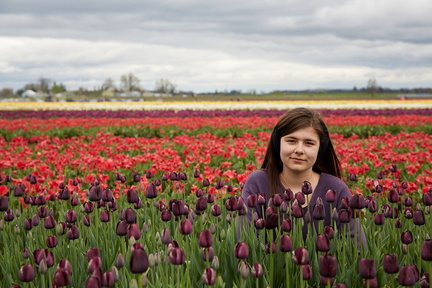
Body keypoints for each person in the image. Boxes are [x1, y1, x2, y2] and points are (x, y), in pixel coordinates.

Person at [241, 107, 365, 246]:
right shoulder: (258, 183)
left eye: (309, 143)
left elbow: (357, 250)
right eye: (291, 141)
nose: (299, 150)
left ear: (320, 148)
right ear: (278, 143)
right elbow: (245, 241)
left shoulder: (335, 188)